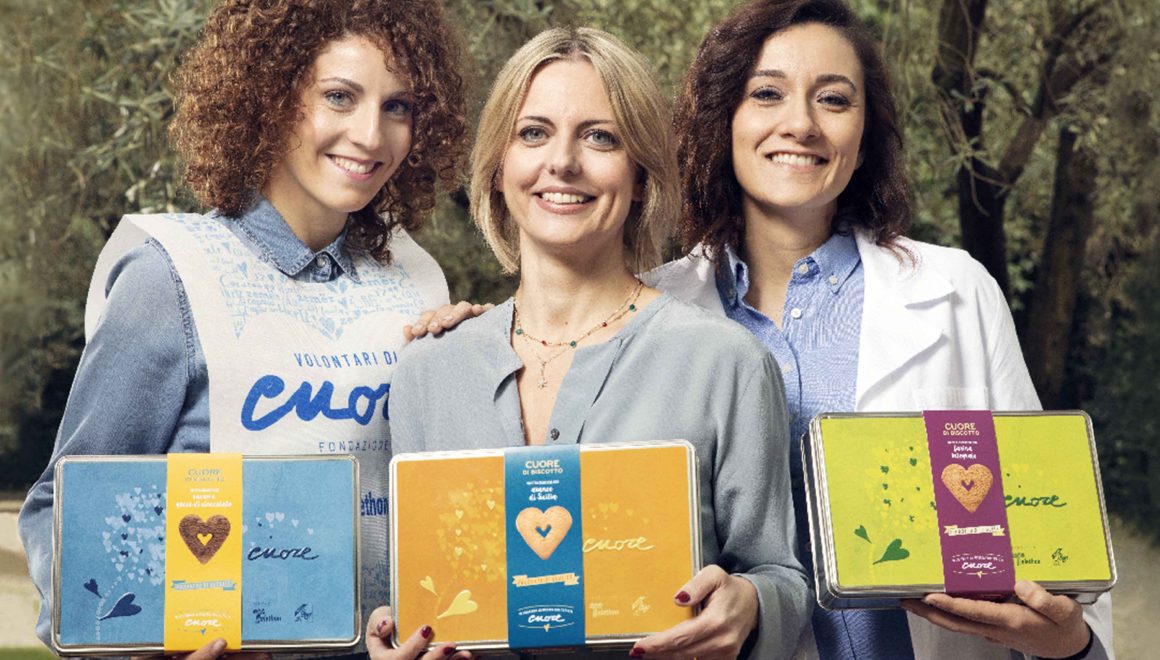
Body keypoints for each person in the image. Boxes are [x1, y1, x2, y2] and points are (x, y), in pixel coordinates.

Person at [642, 0, 1113, 658]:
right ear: (723, 120)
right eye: (767, 93)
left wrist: (1072, 643)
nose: (800, 124)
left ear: (864, 139)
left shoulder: (957, 291)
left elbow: (1055, 537)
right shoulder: (650, 313)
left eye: (833, 99)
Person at [19, 1, 473, 657]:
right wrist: (148, 645)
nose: (371, 135)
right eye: (339, 97)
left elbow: (440, 511)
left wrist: (476, 357)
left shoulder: (419, 282)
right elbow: (62, 508)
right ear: (271, 96)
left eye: (397, 106)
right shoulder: (169, 277)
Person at [367, 27, 811, 660]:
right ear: (497, 169)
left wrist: (752, 603)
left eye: (600, 137)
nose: (563, 162)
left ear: (641, 175)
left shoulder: (727, 362)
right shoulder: (427, 371)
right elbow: (417, 595)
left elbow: (779, 577)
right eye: (533, 133)